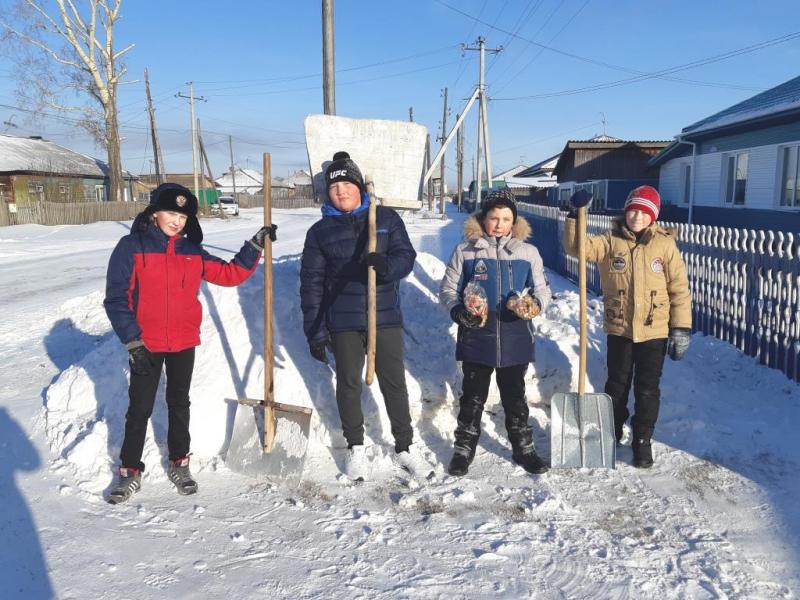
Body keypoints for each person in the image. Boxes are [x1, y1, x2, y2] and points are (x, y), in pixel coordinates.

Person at [103, 183, 275, 503]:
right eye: (171, 212)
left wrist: (254, 245)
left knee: (179, 403)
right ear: (154, 212)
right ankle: (129, 471)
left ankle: (179, 463)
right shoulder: (132, 246)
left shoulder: (190, 251)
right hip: (145, 343)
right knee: (139, 408)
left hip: (183, 341)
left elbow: (228, 274)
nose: (177, 220)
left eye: (183, 215)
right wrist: (132, 341)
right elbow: (116, 299)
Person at [300, 151, 432, 482]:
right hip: (342, 320)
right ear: (327, 193)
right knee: (347, 383)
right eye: (334, 188)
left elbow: (406, 256)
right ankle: (355, 447)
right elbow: (311, 284)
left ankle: (404, 445)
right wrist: (315, 330)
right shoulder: (319, 232)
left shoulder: (384, 218)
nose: (341, 192)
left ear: (359, 186)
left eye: (347, 184)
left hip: (383, 315)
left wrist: (387, 268)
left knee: (394, 382)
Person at [563, 186, 692, 468]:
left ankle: (642, 439)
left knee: (647, 388)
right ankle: (613, 431)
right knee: (617, 385)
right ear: (625, 211)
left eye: (644, 212)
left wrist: (681, 327)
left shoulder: (664, 245)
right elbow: (577, 248)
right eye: (633, 210)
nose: (637, 216)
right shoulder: (610, 241)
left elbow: (679, 289)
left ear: (653, 216)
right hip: (620, 328)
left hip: (654, 330)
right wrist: (575, 215)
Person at [439, 188, 553, 477]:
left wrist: (534, 304)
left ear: (514, 221)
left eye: (506, 218)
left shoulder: (528, 253)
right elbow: (448, 290)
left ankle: (524, 448)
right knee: (472, 396)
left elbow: (543, 290)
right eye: (494, 217)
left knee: (515, 396)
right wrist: (458, 312)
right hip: (476, 336)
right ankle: (464, 449)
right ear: (483, 218)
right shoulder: (466, 251)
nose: (499, 224)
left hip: (515, 337)